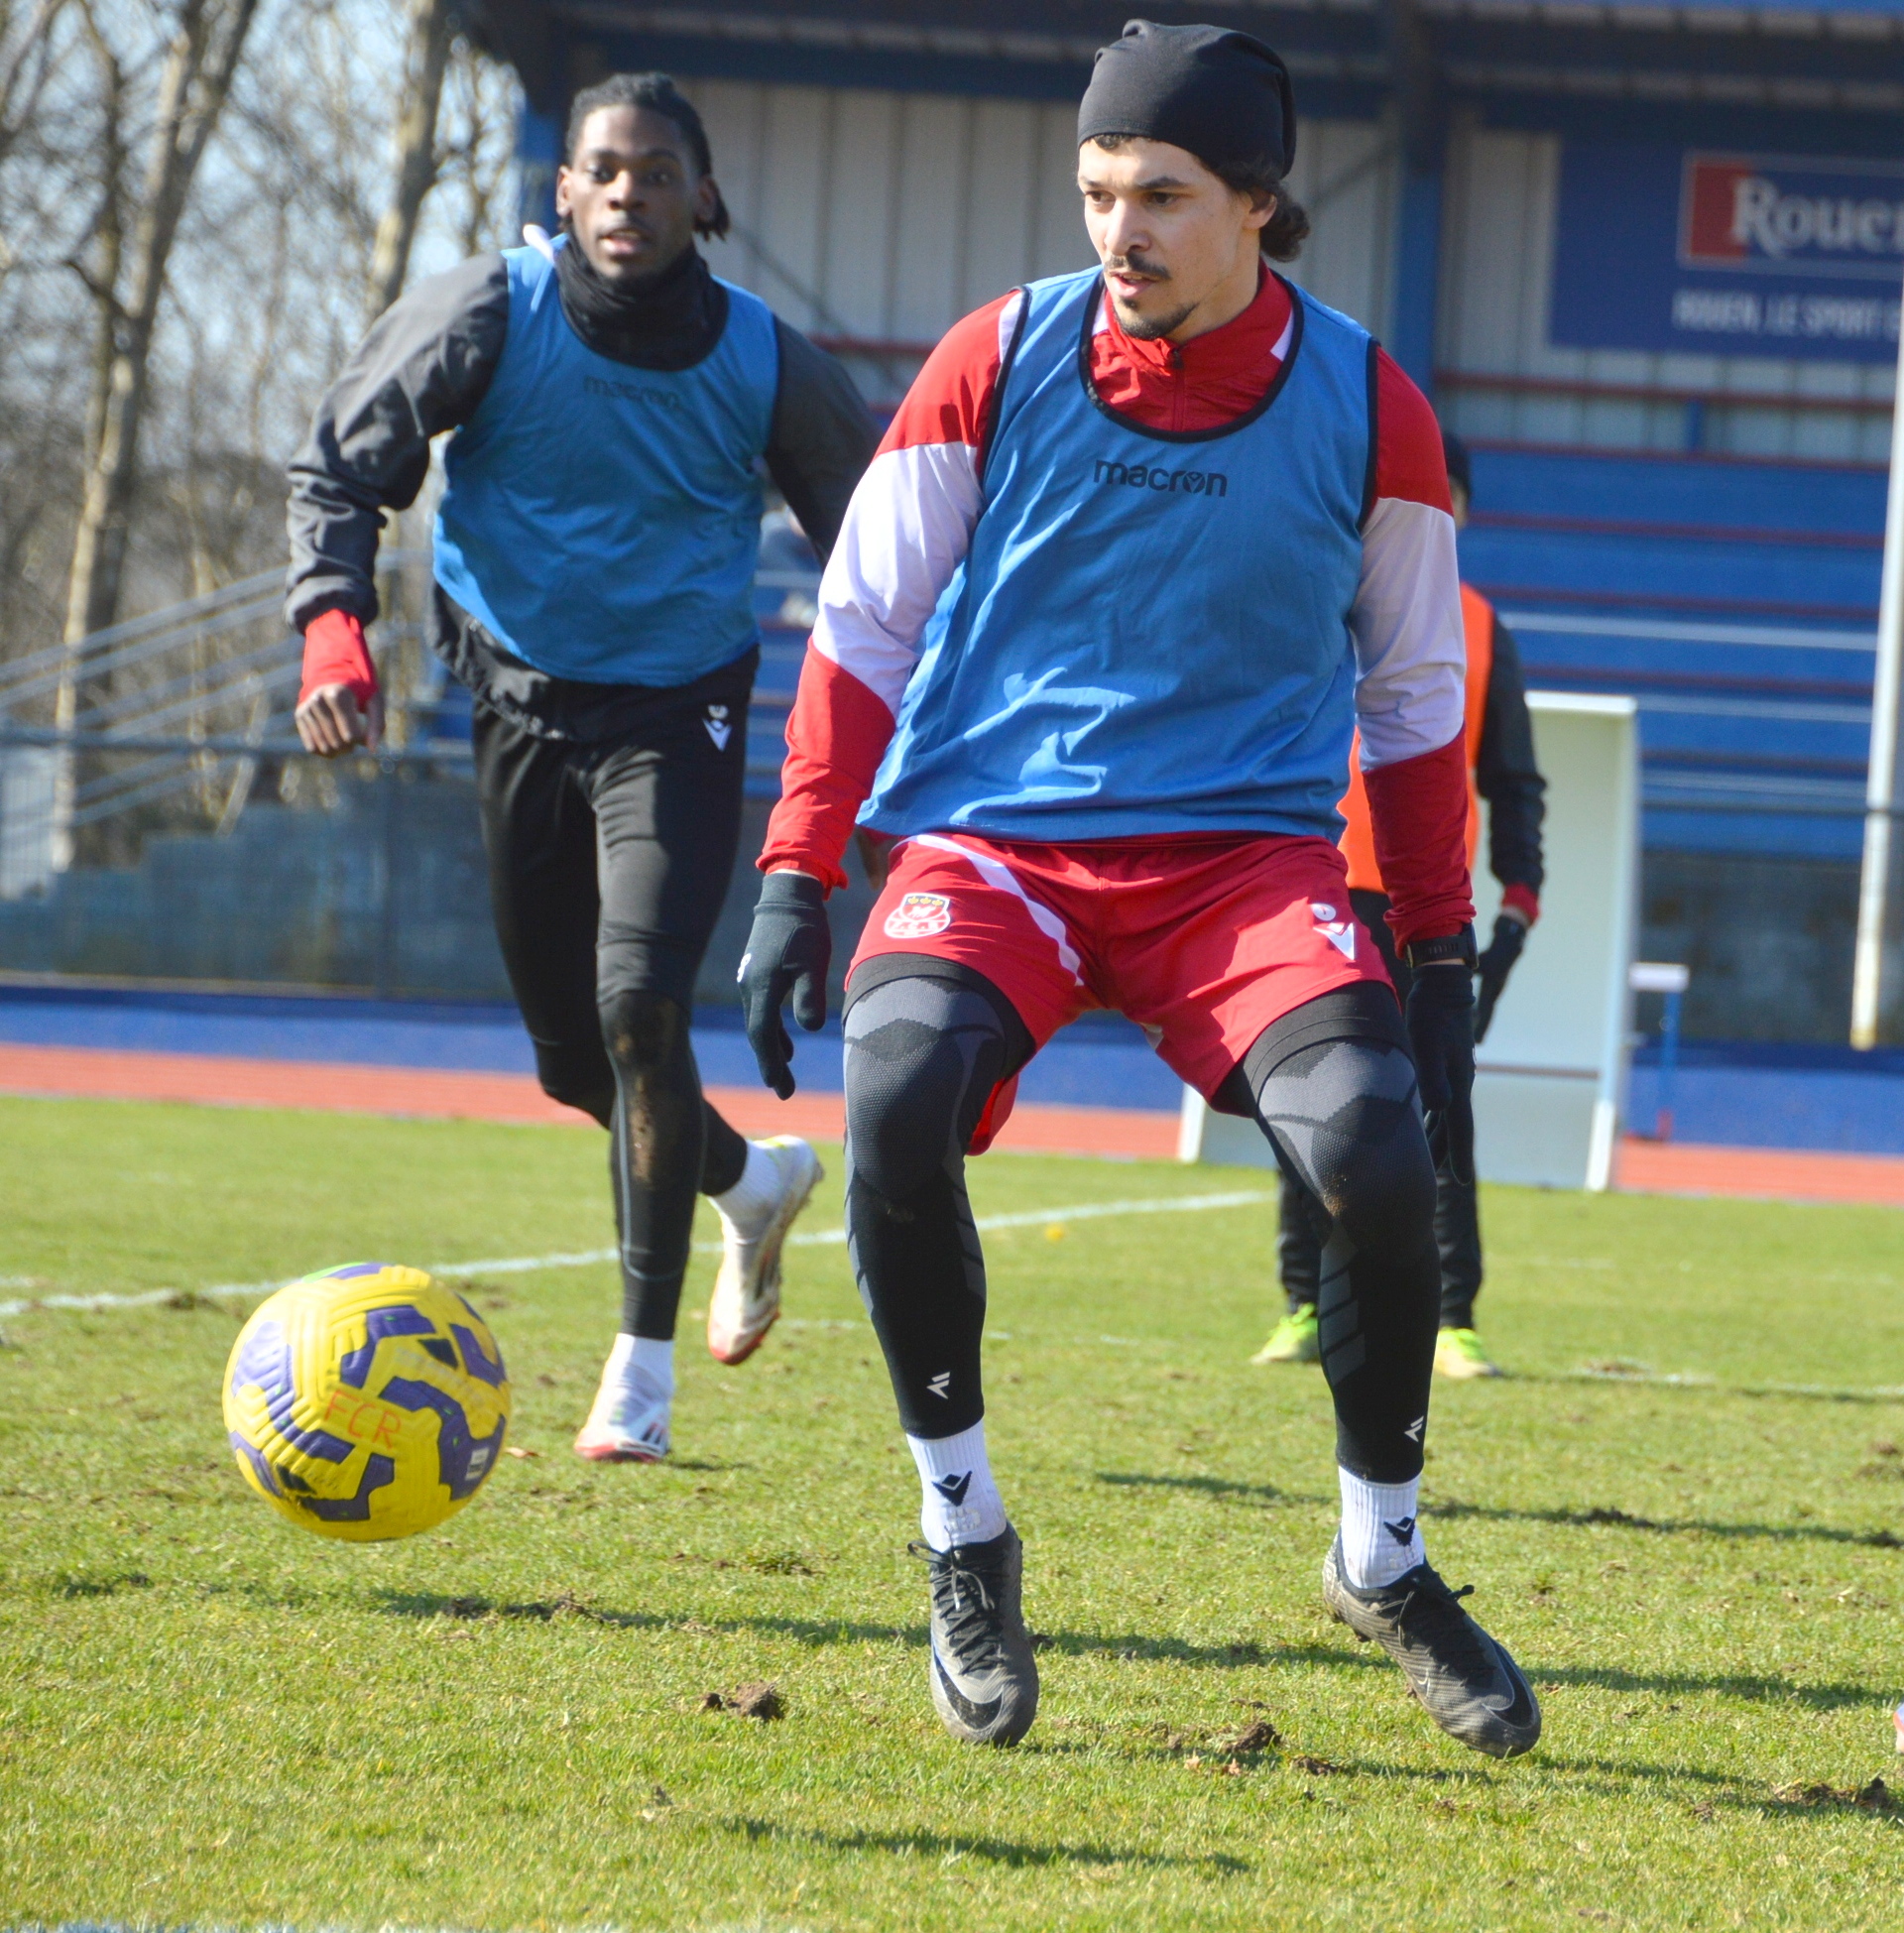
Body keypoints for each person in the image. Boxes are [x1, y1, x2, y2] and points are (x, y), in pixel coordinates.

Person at [737, 21, 1540, 1758]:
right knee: (892, 1097)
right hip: (993, 844)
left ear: (1256, 203)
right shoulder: (993, 355)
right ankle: (962, 1530)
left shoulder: (1372, 403)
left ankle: (1380, 1555)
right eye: (1100, 190)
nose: (1122, 226)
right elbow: (864, 621)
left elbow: (1413, 697)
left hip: (1240, 866)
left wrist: (1432, 937)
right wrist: (799, 859)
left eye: (1163, 194)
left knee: (1379, 1157)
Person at [285, 70, 877, 1463]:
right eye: (603, 169)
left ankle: (640, 1368)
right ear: (565, 191)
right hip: (517, 702)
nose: (627, 192)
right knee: (572, 1062)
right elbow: (343, 463)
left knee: (637, 1007)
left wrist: (896, 745)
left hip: (679, 716)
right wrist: (331, 631)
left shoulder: (769, 363)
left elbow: (887, 550)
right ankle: (753, 1180)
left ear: (701, 200)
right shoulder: (492, 307)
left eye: (657, 173)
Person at [1256, 429, 1546, 1381]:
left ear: (1457, 508)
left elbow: (1514, 777)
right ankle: (1305, 1304)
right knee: (1310, 1095)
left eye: (1445, 491)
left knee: (1438, 1105)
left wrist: (1516, 908)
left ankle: (1453, 1319)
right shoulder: (1315, 599)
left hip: (1432, 910)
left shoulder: (1478, 623)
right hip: (1318, 889)